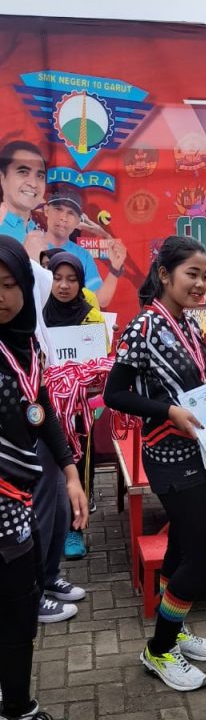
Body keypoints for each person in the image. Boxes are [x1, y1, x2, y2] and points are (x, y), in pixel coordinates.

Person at [104, 235, 206, 692]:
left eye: (204, 276)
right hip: (169, 457)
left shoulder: (189, 325)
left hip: (197, 453)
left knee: (180, 548)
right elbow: (114, 394)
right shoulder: (144, 328)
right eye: (191, 274)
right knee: (203, 555)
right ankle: (158, 649)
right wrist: (168, 411)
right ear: (164, 274)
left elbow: (197, 389)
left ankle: (174, 630)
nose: (199, 284)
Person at [0, 235, 88, 720]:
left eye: (9, 284)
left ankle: (13, 709)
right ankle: (16, 718)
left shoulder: (26, 346)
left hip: (17, 505)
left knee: (20, 604)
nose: (1, 296)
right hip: (7, 503)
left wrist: (71, 472)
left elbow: (41, 411)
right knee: (16, 607)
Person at [0, 141, 84, 621]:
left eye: (38, 173)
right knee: (23, 497)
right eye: (21, 172)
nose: (31, 182)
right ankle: (30, 590)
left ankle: (48, 575)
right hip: (10, 394)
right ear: (2, 179)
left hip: (36, 378)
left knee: (52, 486)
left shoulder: (33, 235)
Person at [43, 252, 107, 558]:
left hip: (79, 410)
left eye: (71, 279)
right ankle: (47, 524)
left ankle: (74, 530)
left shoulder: (91, 317)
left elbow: (101, 363)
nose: (64, 286)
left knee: (78, 464)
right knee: (46, 464)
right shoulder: (37, 316)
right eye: (57, 278)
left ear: (81, 283)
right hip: (43, 408)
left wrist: (83, 378)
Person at [45, 186, 127, 308]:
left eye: (70, 213)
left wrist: (115, 269)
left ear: (78, 221)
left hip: (70, 319)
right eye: (58, 209)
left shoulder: (83, 255)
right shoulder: (29, 243)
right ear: (46, 211)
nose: (63, 217)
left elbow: (99, 301)